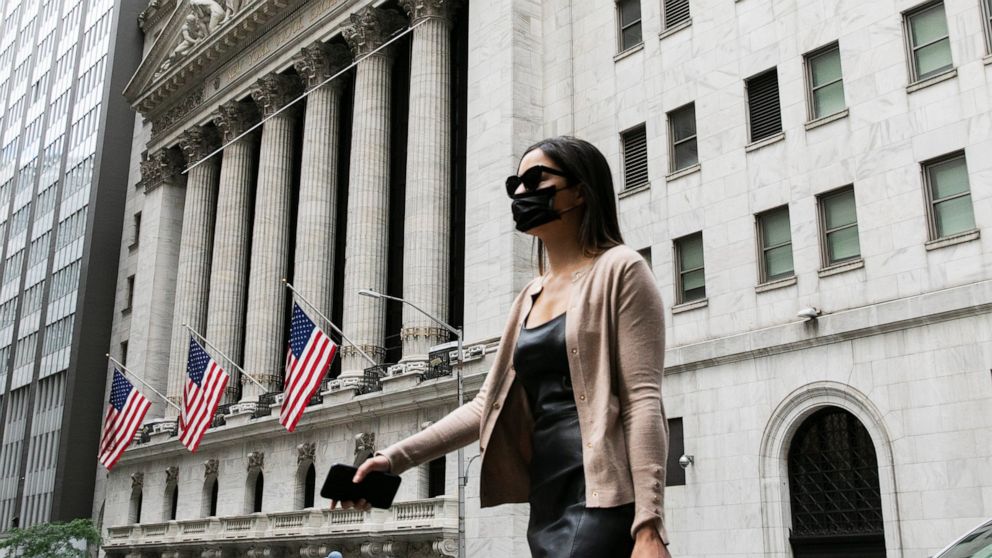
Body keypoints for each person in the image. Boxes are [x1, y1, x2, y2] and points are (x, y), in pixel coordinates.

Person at [330, 136, 672, 558]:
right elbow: (484, 406)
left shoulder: (622, 269)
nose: (522, 193)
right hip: (547, 500)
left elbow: (642, 400)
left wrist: (649, 523)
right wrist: (392, 459)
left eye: (536, 179)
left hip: (602, 497)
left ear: (581, 190)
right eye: (516, 185)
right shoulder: (530, 295)